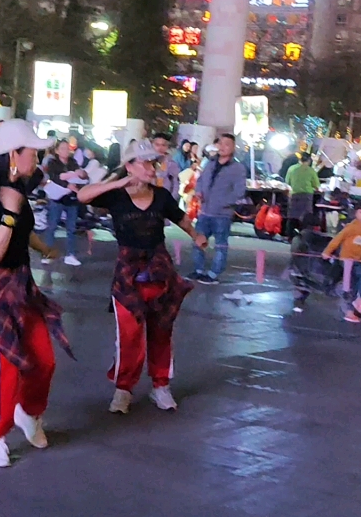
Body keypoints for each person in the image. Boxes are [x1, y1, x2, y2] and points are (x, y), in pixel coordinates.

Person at [0, 119, 74, 467]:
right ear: (14, 154)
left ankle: (29, 413)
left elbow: (22, 231)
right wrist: (11, 214)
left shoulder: (20, 189)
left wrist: (42, 248)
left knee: (44, 359)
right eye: (33, 151)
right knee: (5, 368)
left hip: (22, 285)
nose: (38, 158)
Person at [78, 140, 205, 414]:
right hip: (128, 271)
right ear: (130, 166)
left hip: (159, 268)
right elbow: (83, 196)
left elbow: (181, 218)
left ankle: (161, 386)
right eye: (146, 163)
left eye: (153, 162)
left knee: (161, 329)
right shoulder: (115, 195)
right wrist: (117, 183)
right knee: (129, 333)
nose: (152, 168)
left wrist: (196, 235)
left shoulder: (161, 196)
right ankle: (123, 389)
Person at [191, 133, 248, 285]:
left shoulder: (238, 168)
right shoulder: (210, 163)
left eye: (226, 144)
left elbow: (239, 191)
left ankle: (214, 273)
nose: (222, 147)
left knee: (220, 245)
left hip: (222, 215)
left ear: (233, 148)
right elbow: (201, 180)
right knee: (197, 241)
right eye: (220, 143)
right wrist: (199, 191)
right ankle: (198, 270)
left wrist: (222, 203)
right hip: (204, 212)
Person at [322, 200, 361, 324]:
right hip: (346, 260)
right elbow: (337, 239)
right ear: (356, 213)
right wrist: (327, 251)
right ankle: (349, 306)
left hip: (359, 262)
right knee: (348, 285)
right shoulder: (351, 228)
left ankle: (359, 298)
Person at [42, 139, 85, 267]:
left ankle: (70, 255)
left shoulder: (73, 162)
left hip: (71, 199)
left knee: (71, 228)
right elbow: (56, 177)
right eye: (62, 148)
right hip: (57, 198)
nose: (65, 151)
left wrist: (80, 174)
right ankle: (48, 253)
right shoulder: (53, 162)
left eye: (67, 148)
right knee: (52, 227)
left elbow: (81, 175)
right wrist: (70, 179)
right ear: (57, 150)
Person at [285, 152, 321, 239]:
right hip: (307, 195)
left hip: (294, 194)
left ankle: (290, 236)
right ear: (309, 160)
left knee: (292, 215)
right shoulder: (311, 170)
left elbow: (287, 181)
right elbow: (316, 185)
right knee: (306, 216)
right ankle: (304, 236)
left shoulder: (292, 168)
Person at [151, 133, 179, 202]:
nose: (160, 148)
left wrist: (172, 199)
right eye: (157, 145)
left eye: (163, 145)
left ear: (167, 147)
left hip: (165, 198)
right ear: (152, 145)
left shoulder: (171, 163)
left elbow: (175, 183)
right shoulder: (146, 161)